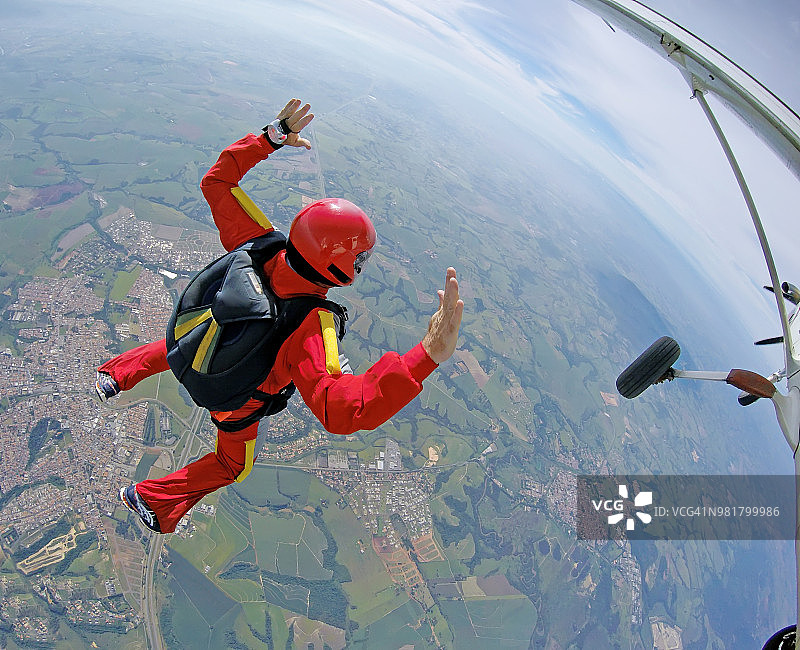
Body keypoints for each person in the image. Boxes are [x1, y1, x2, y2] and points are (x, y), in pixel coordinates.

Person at [96, 99, 463, 534]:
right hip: (234, 402)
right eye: (358, 260)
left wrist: (270, 137)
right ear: (337, 266)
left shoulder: (259, 241)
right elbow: (341, 411)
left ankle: (115, 374)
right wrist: (427, 356)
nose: (361, 267)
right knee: (233, 465)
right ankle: (153, 500)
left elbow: (217, 183)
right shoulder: (312, 324)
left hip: (192, 341)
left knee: (185, 347)